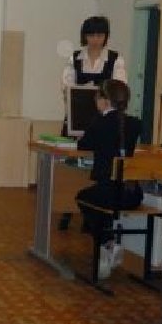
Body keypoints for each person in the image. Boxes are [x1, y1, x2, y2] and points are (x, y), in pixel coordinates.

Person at [59, 15, 127, 229]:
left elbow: (119, 88)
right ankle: (66, 208)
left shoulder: (115, 59)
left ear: (106, 36)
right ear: (85, 36)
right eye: (91, 35)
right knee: (70, 166)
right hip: (77, 119)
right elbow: (66, 87)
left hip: (105, 122)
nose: (96, 39)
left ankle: (92, 212)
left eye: (100, 35)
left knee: (100, 165)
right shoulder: (75, 58)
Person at [75, 79, 143, 279]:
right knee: (98, 197)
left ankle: (107, 242)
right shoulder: (135, 124)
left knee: (83, 198)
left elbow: (83, 145)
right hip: (132, 194)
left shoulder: (100, 122)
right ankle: (108, 244)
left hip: (111, 195)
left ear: (105, 100)